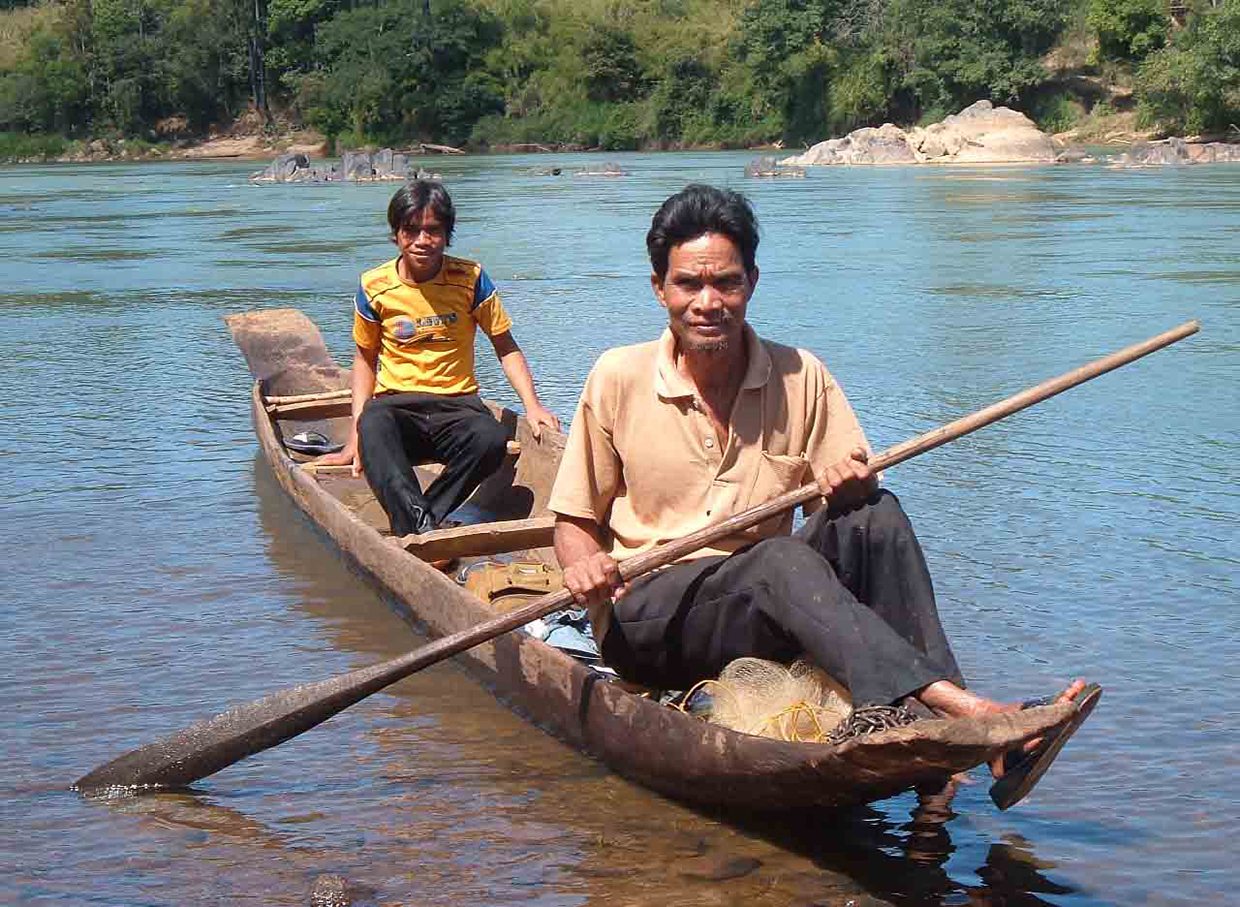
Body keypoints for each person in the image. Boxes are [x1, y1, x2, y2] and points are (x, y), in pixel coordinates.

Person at [547, 183, 1098, 809]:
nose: (708, 303)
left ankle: (954, 743)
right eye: (688, 286)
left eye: (725, 283)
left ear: (751, 281)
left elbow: (843, 506)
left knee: (873, 514)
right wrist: (583, 566)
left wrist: (850, 485)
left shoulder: (799, 374)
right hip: (651, 616)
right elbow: (572, 518)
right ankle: (969, 715)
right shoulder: (618, 375)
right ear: (659, 289)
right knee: (775, 561)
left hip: (760, 611)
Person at [315, 180, 560, 537]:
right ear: (396, 235)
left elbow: (504, 345)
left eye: (432, 230)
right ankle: (426, 530)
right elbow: (366, 359)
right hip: (396, 410)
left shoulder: (470, 279)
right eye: (411, 230)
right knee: (371, 425)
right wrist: (356, 436)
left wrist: (533, 405)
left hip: (457, 407)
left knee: (490, 439)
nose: (422, 240)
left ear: (447, 234)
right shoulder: (374, 286)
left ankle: (418, 527)